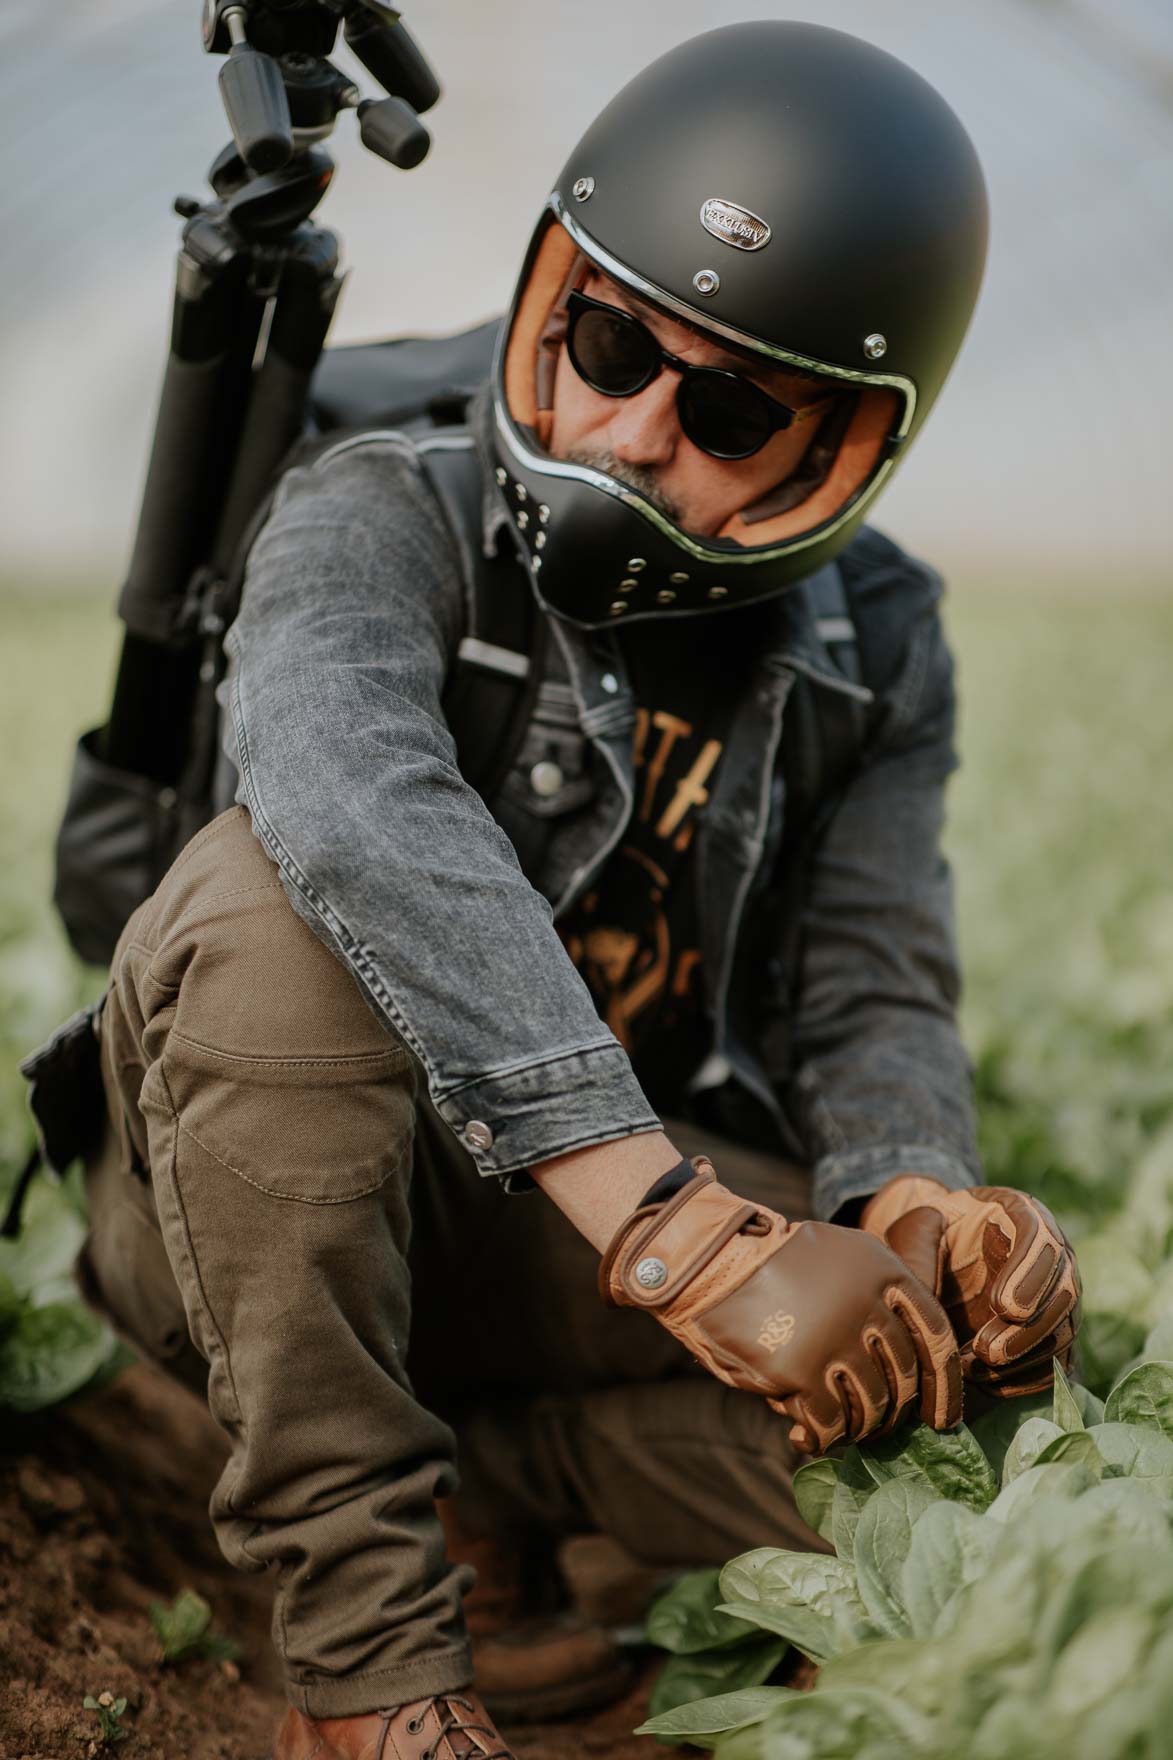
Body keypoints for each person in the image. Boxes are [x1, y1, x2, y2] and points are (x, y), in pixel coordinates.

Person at [53, 21, 1080, 1760]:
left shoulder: (880, 641)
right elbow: (352, 805)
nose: (627, 424)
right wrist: (680, 1241)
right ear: (550, 299)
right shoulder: (373, 505)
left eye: (735, 402)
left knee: (998, 1387)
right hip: (263, 1216)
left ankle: (500, 1494)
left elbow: (868, 980)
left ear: (843, 450)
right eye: (604, 341)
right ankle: (372, 1668)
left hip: (557, 1256)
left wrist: (916, 1203)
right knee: (265, 915)